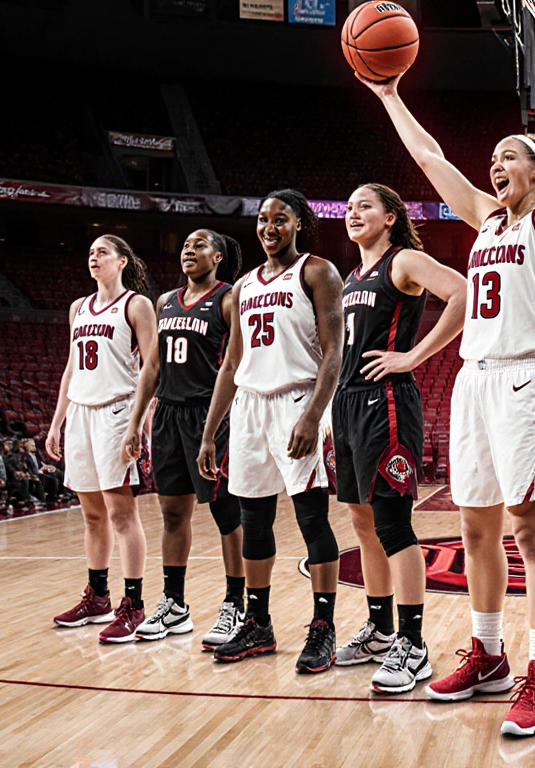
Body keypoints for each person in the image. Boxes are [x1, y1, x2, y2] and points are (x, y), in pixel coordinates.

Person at [358, 2, 535, 735]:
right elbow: (432, 162)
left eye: (511, 157)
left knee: (532, 532)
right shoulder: (487, 219)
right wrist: (392, 97)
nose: (497, 164)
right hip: (476, 380)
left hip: (534, 382)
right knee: (476, 527)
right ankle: (487, 653)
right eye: (495, 159)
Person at [197, 190, 345, 674]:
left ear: (299, 223)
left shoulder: (316, 272)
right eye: (262, 220)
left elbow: (333, 350)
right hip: (250, 407)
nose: (269, 227)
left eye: (279, 219)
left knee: (311, 519)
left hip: (297, 399)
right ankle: (258, 621)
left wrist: (312, 415)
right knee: (254, 521)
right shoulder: (241, 287)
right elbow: (231, 363)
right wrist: (209, 431)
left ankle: (323, 626)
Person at [331, 183, 466, 692]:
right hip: (347, 405)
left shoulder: (403, 260)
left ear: (390, 217)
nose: (353, 212)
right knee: (361, 521)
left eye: (364, 205)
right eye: (348, 207)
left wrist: (413, 358)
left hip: (385, 402)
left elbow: (462, 293)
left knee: (391, 523)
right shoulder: (351, 277)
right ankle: (381, 631)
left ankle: (413, 642)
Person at [122, 229, 249, 652]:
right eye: (185, 246)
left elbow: (235, 364)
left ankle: (236, 603)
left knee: (226, 514)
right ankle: (174, 604)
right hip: (169, 416)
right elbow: (151, 367)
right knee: (173, 513)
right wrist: (136, 421)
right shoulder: (166, 302)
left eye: (199, 245)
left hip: (208, 414)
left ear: (218, 255)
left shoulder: (229, 299)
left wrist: (213, 428)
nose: (188, 251)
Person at [47, 235, 158, 643]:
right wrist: (57, 421)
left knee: (121, 514)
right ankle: (97, 596)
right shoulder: (78, 307)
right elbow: (71, 368)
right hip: (80, 413)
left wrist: (139, 421)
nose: (94, 257)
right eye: (90, 251)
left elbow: (152, 367)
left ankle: (134, 604)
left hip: (116, 411)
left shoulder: (136, 305)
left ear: (122, 261)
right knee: (92, 515)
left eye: (103, 252)